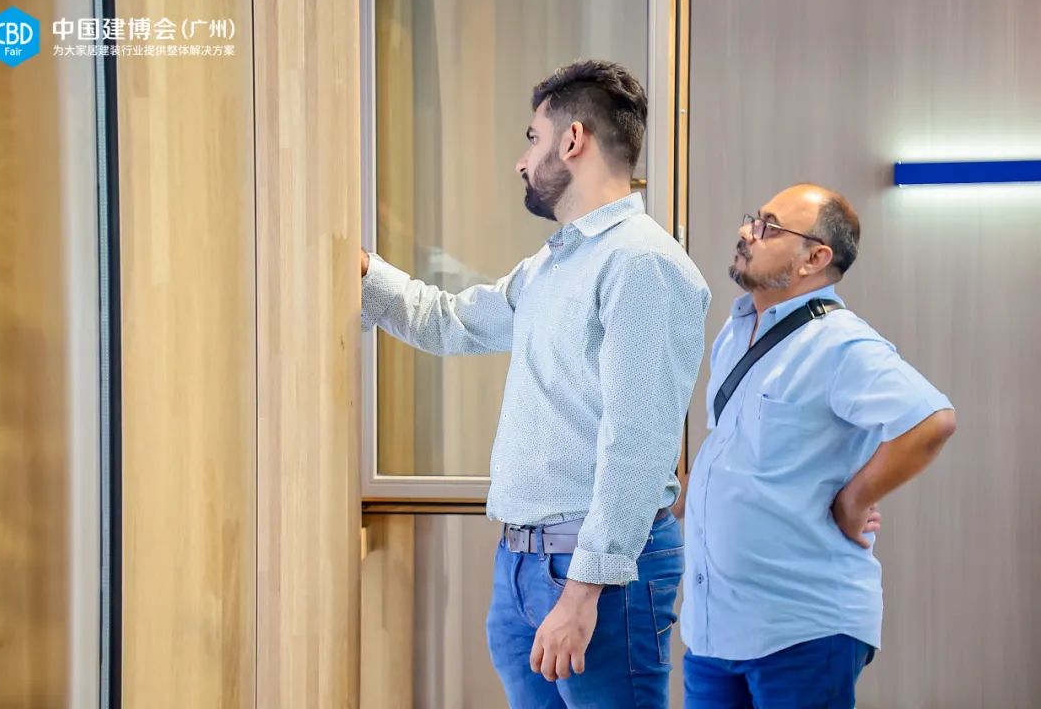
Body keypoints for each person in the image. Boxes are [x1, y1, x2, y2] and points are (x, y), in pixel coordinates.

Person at [360, 60, 709, 707]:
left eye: (532, 138)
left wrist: (582, 592)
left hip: (595, 575)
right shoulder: (553, 263)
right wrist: (362, 273)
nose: (522, 161)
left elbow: (637, 446)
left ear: (572, 140)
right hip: (522, 563)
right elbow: (453, 323)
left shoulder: (643, 264)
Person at [681, 184, 957, 708]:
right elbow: (740, 458)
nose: (746, 233)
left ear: (815, 258)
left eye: (767, 227)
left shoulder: (839, 342)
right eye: (753, 219)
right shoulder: (736, 332)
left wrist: (854, 501)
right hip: (714, 630)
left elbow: (931, 421)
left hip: (801, 629)